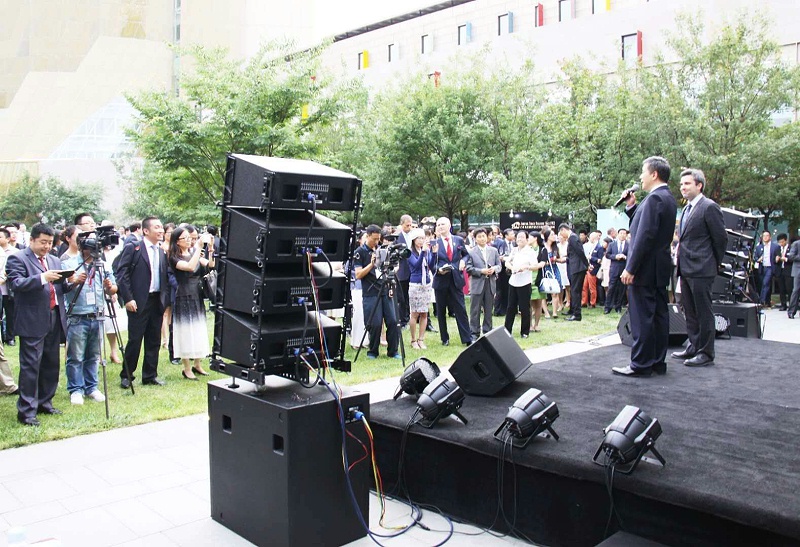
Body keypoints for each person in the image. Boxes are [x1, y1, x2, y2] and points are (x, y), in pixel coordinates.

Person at [612, 156, 678, 378]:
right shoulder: (666, 198)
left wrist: (631, 268)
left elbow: (644, 236)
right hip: (658, 268)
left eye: (643, 172)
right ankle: (657, 361)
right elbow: (646, 226)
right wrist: (632, 206)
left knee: (642, 317)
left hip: (645, 268)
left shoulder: (654, 199)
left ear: (654, 174)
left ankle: (640, 364)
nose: (640, 177)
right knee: (658, 314)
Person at [5, 224, 69, 426]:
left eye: (50, 243)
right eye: (43, 242)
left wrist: (72, 281)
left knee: (51, 363)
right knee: (31, 365)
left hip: (53, 315)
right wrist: (42, 277)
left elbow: (59, 288)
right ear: (31, 240)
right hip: (31, 318)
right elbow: (16, 284)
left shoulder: (54, 259)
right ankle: (26, 411)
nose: (47, 247)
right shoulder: (18, 258)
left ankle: (45, 402)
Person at [670, 168, 727, 368]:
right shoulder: (687, 209)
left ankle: (706, 352)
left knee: (703, 312)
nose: (682, 187)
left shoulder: (709, 207)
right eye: (681, 184)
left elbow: (721, 239)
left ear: (699, 185)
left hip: (702, 269)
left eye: (687, 183)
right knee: (690, 311)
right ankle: (694, 346)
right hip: (685, 269)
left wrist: (712, 262)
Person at [62, 235, 118, 404]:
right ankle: (76, 389)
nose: (94, 251)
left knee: (94, 355)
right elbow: (63, 287)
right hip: (78, 315)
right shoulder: (70, 264)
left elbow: (113, 289)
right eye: (91, 248)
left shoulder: (102, 265)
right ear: (82, 247)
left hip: (98, 314)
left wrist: (110, 287)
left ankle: (92, 387)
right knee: (76, 356)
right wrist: (74, 281)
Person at [115, 217, 169, 388]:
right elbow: (122, 274)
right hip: (138, 301)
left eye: (161, 227)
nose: (161, 230)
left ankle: (150, 375)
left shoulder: (161, 251)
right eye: (157, 227)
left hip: (156, 299)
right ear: (146, 230)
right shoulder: (134, 247)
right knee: (135, 339)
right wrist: (128, 298)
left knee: (154, 340)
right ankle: (127, 375)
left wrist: (165, 299)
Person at [169, 225, 212, 380]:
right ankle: (186, 367)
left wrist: (210, 249)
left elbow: (210, 265)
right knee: (185, 331)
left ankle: (198, 364)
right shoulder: (174, 257)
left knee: (199, 328)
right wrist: (198, 247)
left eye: (190, 237)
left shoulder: (194, 252)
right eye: (185, 238)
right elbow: (189, 267)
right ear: (177, 241)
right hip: (184, 294)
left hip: (197, 293)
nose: (189, 240)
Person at [354, 224, 401, 359]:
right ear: (367, 236)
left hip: (385, 289)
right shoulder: (360, 252)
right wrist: (371, 264)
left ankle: (393, 351)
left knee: (393, 321)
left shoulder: (382, 249)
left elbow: (391, 268)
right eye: (374, 239)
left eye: (378, 239)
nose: (376, 242)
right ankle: (373, 350)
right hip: (371, 292)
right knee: (374, 323)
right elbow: (358, 274)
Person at [432, 217, 472, 346]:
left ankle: (467, 338)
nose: (440, 226)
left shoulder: (458, 240)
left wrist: (463, 261)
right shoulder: (435, 243)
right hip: (441, 280)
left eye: (442, 224)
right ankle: (444, 338)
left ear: (449, 225)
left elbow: (466, 254)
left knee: (461, 309)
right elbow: (431, 262)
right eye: (438, 225)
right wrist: (438, 269)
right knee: (441, 310)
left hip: (456, 279)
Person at [466, 227, 500, 340]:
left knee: (489, 309)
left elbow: (499, 265)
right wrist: (481, 271)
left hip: (490, 283)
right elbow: (468, 268)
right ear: (475, 239)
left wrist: (494, 269)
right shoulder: (471, 252)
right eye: (479, 237)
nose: (482, 239)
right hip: (477, 284)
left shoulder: (493, 251)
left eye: (484, 236)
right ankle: (474, 333)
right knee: (475, 310)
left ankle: (487, 332)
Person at [504, 231, 538, 338]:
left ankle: (524, 332)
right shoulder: (514, 250)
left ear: (527, 239)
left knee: (524, 308)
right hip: (513, 281)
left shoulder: (530, 252)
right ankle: (507, 330)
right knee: (510, 307)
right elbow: (507, 262)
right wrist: (512, 268)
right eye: (518, 237)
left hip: (525, 282)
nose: (520, 239)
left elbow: (535, 266)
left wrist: (526, 267)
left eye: (522, 237)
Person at [406, 228, 435, 349]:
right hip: (415, 284)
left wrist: (434, 253)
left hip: (426, 284)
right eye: (419, 238)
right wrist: (423, 252)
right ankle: (413, 339)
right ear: (413, 239)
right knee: (414, 313)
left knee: (424, 313)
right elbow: (416, 265)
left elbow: (431, 266)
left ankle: (421, 339)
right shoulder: (409, 252)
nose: (421, 241)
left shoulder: (426, 251)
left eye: (423, 238)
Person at [559, 223, 588, 321]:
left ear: (564, 230)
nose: (562, 236)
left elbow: (580, 252)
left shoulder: (573, 238)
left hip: (578, 268)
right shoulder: (572, 238)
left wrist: (587, 264)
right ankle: (572, 310)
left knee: (575, 291)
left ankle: (577, 314)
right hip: (574, 266)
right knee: (573, 290)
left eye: (561, 233)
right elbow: (573, 254)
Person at [528, 232, 549, 333]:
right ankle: (529, 325)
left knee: (538, 303)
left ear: (535, 238)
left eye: (529, 237)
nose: (528, 239)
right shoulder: (527, 249)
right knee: (528, 304)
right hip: (527, 278)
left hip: (538, 279)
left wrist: (533, 266)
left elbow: (543, 263)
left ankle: (536, 324)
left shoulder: (543, 249)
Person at [604, 228, 629, 314]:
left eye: (624, 233)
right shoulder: (612, 244)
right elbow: (607, 255)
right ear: (618, 234)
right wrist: (615, 256)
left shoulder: (629, 245)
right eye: (621, 233)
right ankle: (608, 307)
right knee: (611, 288)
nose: (622, 235)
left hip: (623, 269)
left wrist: (625, 257)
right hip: (614, 268)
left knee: (622, 289)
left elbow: (631, 256)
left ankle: (618, 307)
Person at [395, 214, 414, 328]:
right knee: (402, 297)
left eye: (411, 225)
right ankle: (403, 320)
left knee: (411, 297)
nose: (409, 227)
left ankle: (411, 317)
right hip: (402, 270)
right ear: (402, 224)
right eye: (407, 225)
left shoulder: (413, 236)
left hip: (413, 270)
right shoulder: (397, 237)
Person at [541, 228, 564, 318]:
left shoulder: (555, 247)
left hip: (554, 269)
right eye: (552, 235)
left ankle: (554, 312)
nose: (554, 236)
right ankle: (546, 312)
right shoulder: (542, 247)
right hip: (544, 270)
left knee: (555, 291)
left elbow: (560, 259)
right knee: (543, 292)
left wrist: (556, 259)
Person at [753, 231, 780, 307]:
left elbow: (778, 255)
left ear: (770, 237)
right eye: (764, 236)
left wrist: (777, 258)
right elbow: (755, 257)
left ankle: (761, 301)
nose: (765, 237)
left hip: (770, 267)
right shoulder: (759, 247)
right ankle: (767, 301)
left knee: (765, 283)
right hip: (762, 267)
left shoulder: (775, 246)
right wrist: (758, 259)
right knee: (764, 285)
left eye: (767, 235)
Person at [774, 234, 792, 311]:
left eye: (782, 242)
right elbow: (774, 259)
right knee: (781, 289)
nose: (781, 243)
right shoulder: (777, 249)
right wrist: (776, 259)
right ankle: (783, 304)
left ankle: (791, 305)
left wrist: (786, 259)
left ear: (786, 240)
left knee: (789, 288)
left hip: (788, 270)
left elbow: (792, 258)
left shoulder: (791, 248)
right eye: (779, 242)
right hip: (780, 270)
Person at [787, 237, 800, 319]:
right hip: (798, 270)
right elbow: (791, 256)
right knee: (796, 291)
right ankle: (791, 311)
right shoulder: (796, 244)